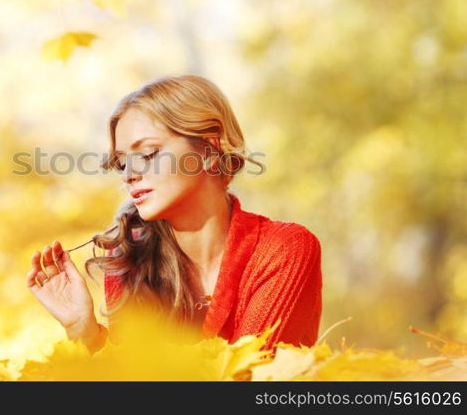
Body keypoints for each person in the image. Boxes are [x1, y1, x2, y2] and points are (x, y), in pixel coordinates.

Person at [27, 74, 322, 355]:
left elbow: (251, 379)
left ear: (209, 147)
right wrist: (86, 334)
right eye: (122, 163)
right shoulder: (131, 262)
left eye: (147, 154)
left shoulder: (283, 249)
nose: (129, 175)